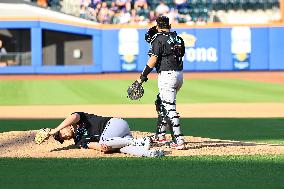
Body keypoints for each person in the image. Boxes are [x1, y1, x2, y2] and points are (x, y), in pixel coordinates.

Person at [137, 15, 186, 150]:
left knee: (169, 107)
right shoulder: (178, 38)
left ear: (158, 26)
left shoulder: (159, 39)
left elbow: (153, 60)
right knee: (161, 102)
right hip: (179, 75)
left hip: (167, 76)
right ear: (169, 25)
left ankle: (178, 140)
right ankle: (160, 135)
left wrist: (142, 77)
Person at [48, 112, 164, 157]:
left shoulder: (79, 119)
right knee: (120, 149)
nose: (63, 136)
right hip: (116, 137)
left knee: (107, 142)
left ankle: (139, 141)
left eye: (61, 133)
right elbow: (91, 145)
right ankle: (150, 153)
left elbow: (73, 116)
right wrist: (101, 147)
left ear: (65, 126)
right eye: (61, 138)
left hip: (115, 124)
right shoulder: (78, 142)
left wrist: (54, 130)